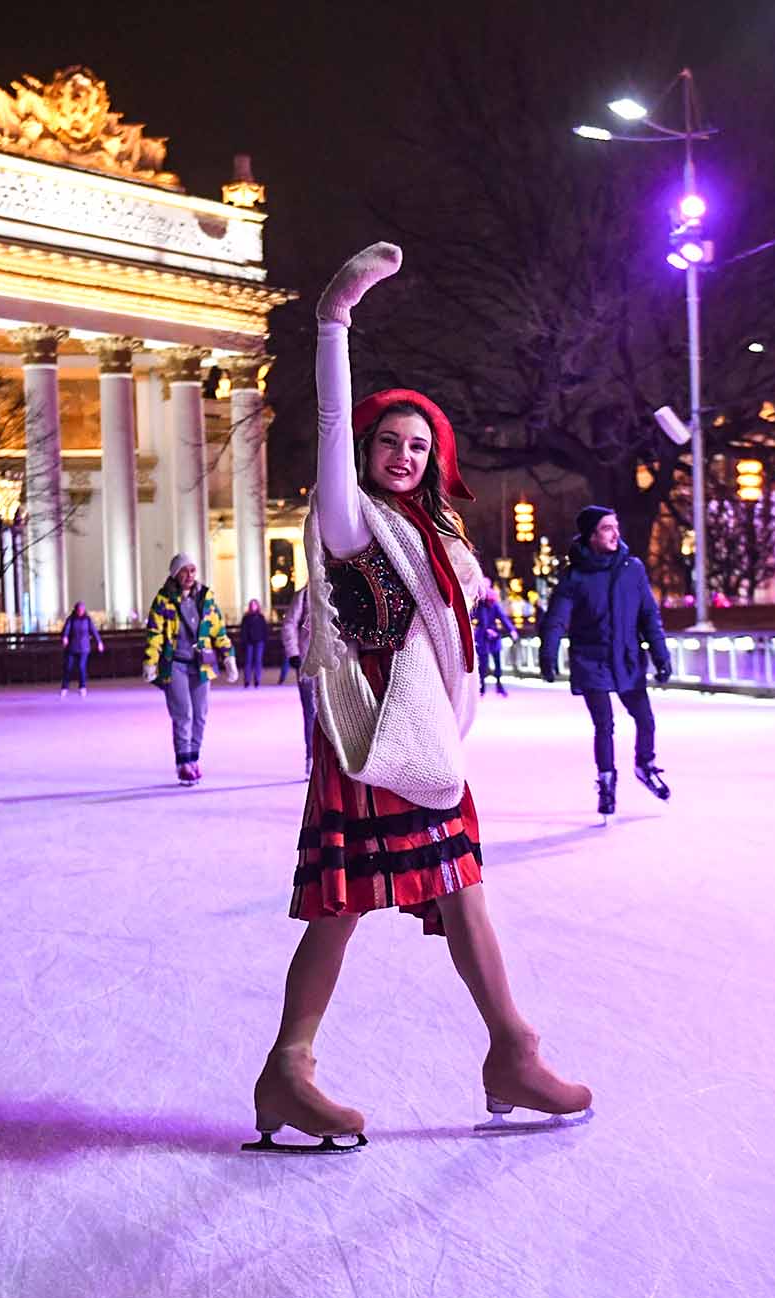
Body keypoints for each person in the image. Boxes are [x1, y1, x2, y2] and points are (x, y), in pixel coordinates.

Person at [252, 241, 591, 1155]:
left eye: (418, 444)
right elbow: (329, 415)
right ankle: (296, 1066)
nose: (402, 454)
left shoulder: (436, 534)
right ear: (361, 450)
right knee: (348, 901)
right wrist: (334, 318)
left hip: (426, 736)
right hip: (371, 736)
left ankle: (506, 1049)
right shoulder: (348, 518)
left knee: (455, 887)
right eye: (387, 441)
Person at [538, 505, 672, 821]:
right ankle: (607, 782)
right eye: (606, 528)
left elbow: (649, 615)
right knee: (604, 725)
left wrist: (660, 655)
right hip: (591, 660)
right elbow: (557, 619)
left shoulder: (632, 569)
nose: (615, 534)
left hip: (626, 657)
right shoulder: (575, 576)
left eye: (616, 526)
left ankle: (644, 765)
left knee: (645, 718)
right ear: (591, 535)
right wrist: (549, 654)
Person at [142, 552, 236, 785]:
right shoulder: (163, 600)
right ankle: (183, 763)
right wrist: (150, 661)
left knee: (201, 715)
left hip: (201, 663)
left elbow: (218, 629)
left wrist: (228, 656)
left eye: (192, 570)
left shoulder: (206, 597)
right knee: (183, 714)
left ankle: (193, 758)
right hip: (175, 664)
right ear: (175, 574)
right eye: (184, 570)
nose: (189, 575)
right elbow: (155, 633)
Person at [282, 588, 317, 775]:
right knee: (311, 711)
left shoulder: (338, 585)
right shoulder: (304, 594)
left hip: (335, 664)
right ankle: (311, 756)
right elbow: (289, 623)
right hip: (307, 662)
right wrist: (293, 652)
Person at [470, 584, 518, 696]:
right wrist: (482, 629)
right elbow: (473, 617)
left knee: (497, 663)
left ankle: (499, 686)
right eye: (490, 601)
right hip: (482, 637)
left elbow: (503, 618)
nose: (491, 603)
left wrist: (512, 630)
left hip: (494, 637)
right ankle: (481, 688)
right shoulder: (480, 605)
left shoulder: (495, 605)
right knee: (483, 664)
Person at [60, 601, 104, 698]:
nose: (80, 611)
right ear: (76, 610)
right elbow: (66, 630)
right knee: (68, 667)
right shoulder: (71, 619)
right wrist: (65, 637)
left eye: (82, 610)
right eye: (79, 610)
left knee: (81, 667)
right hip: (72, 647)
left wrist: (99, 642)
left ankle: (82, 687)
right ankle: (64, 687)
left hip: (84, 648)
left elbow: (93, 631)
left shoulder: (87, 620)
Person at [237, 599, 270, 687]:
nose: (253, 606)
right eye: (251, 605)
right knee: (248, 661)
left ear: (257, 606)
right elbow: (243, 630)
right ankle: (247, 680)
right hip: (249, 642)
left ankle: (257, 680)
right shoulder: (246, 617)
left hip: (259, 642)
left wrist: (264, 639)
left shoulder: (261, 617)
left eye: (254, 605)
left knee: (258, 661)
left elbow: (265, 629)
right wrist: (244, 640)